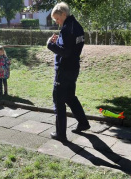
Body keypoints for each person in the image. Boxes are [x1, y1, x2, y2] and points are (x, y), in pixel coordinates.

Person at [47, 2, 90, 142]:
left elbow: (65, 52)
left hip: (64, 70)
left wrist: (51, 45)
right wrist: (58, 43)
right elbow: (71, 48)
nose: (57, 23)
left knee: (58, 100)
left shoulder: (66, 29)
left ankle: (61, 134)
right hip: (73, 68)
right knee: (70, 97)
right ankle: (83, 123)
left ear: (64, 14)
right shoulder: (77, 27)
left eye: (57, 19)